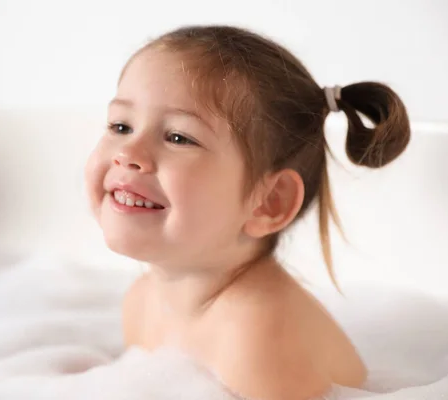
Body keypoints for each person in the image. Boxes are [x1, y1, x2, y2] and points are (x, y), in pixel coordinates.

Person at [84, 24, 410, 400]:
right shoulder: (141, 301)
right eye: (121, 126)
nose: (128, 154)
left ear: (269, 201)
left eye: (178, 137)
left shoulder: (258, 337)